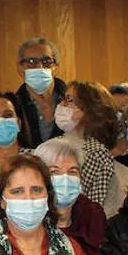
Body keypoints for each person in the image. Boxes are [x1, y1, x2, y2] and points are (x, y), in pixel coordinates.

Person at [34, 138, 107, 255]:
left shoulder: (93, 216)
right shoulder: (29, 219)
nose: (65, 179)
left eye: (72, 171)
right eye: (55, 172)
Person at [53, 81, 119, 212]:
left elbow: (92, 206)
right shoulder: (54, 144)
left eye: (69, 100)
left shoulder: (96, 152)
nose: (61, 104)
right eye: (62, 99)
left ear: (89, 109)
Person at [14, 37, 66, 145]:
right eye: (31, 62)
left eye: (46, 61)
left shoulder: (73, 102)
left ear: (56, 67)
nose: (39, 67)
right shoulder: (14, 107)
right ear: (21, 68)